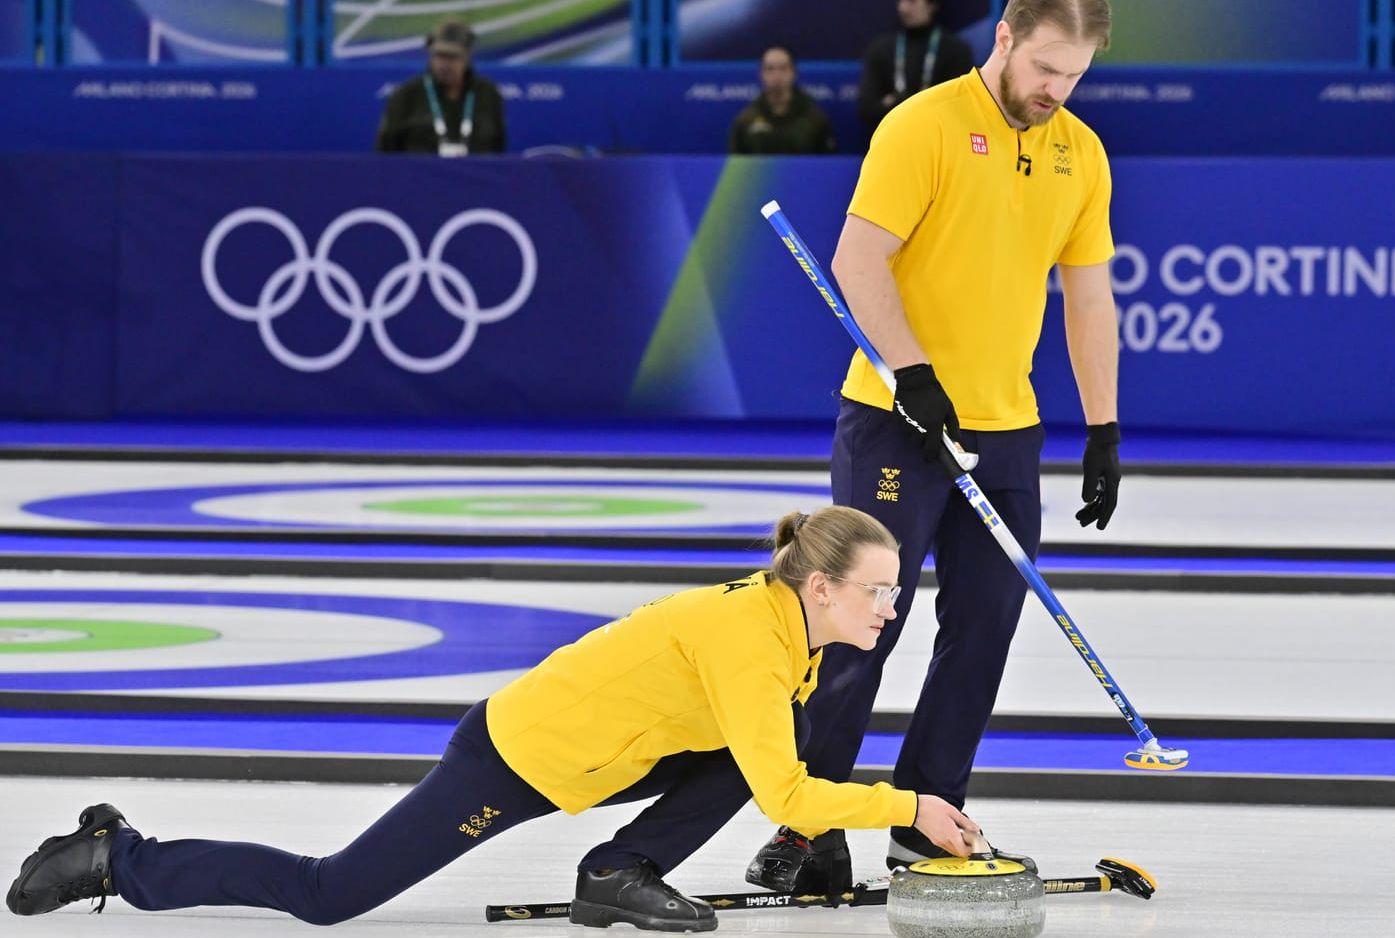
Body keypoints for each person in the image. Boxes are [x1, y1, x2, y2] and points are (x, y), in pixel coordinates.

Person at [6, 507, 982, 931]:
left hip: (603, 754)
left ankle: (616, 872)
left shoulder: (785, 629)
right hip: (517, 756)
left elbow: (765, 765)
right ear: (820, 585)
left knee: (769, 746)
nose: (891, 606)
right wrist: (910, 806)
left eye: (896, 589)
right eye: (879, 590)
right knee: (328, 893)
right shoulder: (750, 640)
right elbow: (783, 795)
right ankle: (117, 856)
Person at [745, 0, 1120, 896]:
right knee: (861, 624)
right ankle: (809, 826)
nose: (1056, 90)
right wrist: (912, 373)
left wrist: (1103, 428)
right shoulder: (925, 124)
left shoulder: (1081, 153)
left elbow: (1089, 297)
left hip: (1007, 424)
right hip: (896, 419)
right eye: (1045, 68)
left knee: (986, 626)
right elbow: (858, 259)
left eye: (1074, 75)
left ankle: (928, 817)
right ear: (1004, 37)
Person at [376, 19, 506, 156]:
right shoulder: (405, 95)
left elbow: (498, 149)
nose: (445, 64)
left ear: (467, 57)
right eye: (440, 55)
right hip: (420, 169)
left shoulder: (487, 94)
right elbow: (385, 154)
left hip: (475, 169)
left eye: (453, 56)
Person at [857, 0, 974, 135]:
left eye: (912, 1)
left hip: (938, 137)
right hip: (892, 135)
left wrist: (893, 100)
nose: (903, 8)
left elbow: (958, 108)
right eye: (900, 1)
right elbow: (867, 109)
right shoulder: (880, 49)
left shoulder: (956, 51)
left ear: (932, 5)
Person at [729, 46, 837, 155]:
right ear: (761, 75)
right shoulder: (746, 120)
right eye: (770, 69)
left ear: (794, 73)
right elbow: (735, 161)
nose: (777, 76)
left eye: (783, 68)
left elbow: (828, 161)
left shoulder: (815, 118)